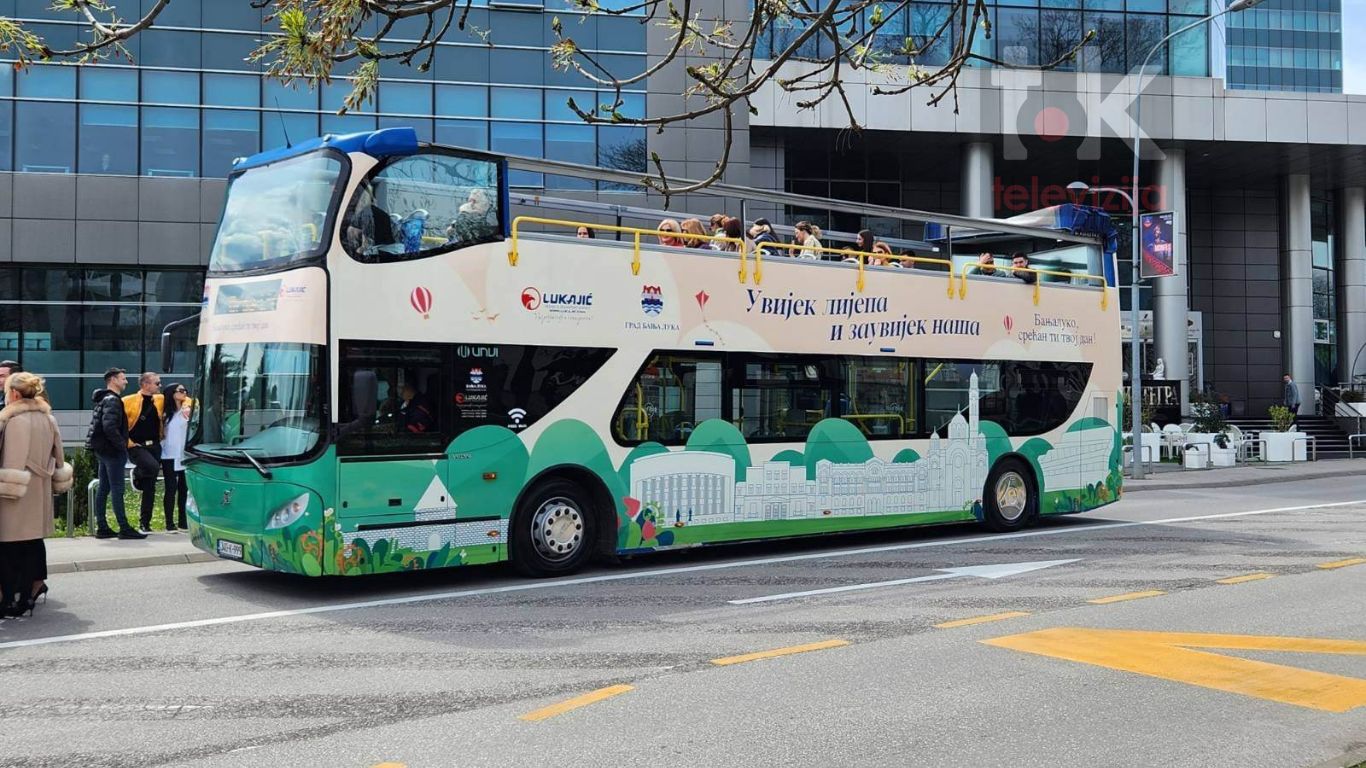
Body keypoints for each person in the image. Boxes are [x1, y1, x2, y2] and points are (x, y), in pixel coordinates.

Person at [0, 372, 71, 617]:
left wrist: (7, 489)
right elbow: (59, 456)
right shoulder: (47, 418)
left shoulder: (15, 421)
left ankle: (9, 600)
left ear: (15, 393)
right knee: (31, 544)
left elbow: (13, 461)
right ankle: (28, 597)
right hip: (39, 489)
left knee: (7, 547)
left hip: (16, 493)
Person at [86, 368, 144, 540]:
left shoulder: (103, 398)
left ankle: (102, 527)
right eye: (123, 378)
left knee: (104, 487)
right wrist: (121, 445)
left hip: (103, 450)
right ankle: (124, 527)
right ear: (113, 380)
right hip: (112, 451)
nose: (126, 382)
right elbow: (109, 426)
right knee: (117, 489)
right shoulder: (112, 400)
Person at [122, 372, 166, 533]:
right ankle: (137, 473)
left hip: (154, 445)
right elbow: (121, 425)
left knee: (150, 487)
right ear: (145, 384)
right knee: (153, 467)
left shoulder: (160, 399)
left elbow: (184, 400)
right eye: (157, 383)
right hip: (136, 446)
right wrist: (128, 443)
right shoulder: (128, 401)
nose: (159, 386)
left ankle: (145, 522)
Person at [160, 383, 193, 532]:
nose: (184, 392)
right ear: (172, 393)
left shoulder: (187, 412)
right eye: (180, 390)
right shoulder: (165, 414)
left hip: (183, 455)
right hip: (168, 455)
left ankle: (183, 521)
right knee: (170, 489)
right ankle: (169, 522)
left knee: (184, 489)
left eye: (185, 390)